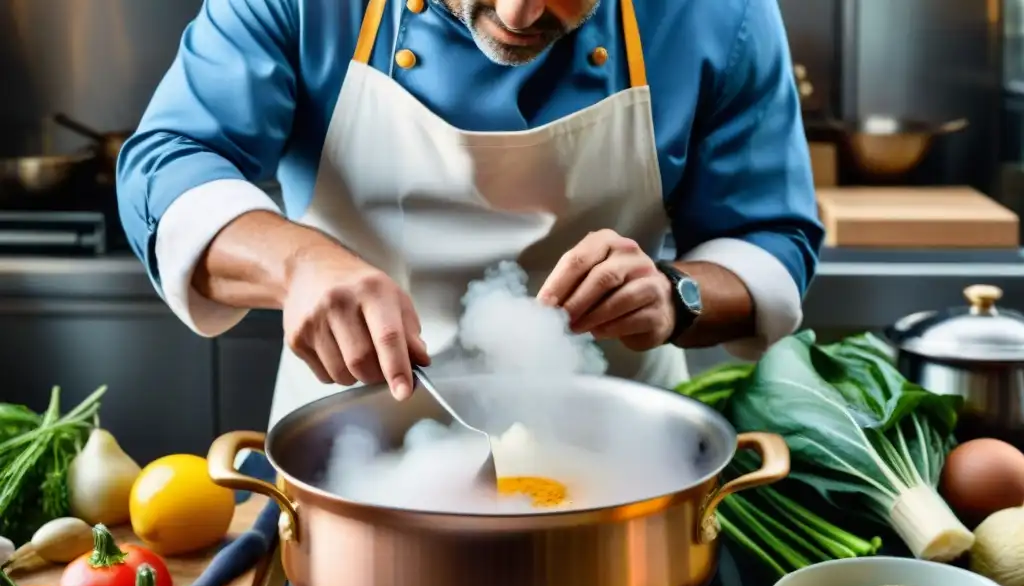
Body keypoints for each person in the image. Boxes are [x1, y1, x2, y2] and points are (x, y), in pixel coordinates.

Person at [117, 0, 823, 430]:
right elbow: (169, 160)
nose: (517, 16)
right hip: (347, 452)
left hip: (617, 466)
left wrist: (678, 296)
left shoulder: (717, 12)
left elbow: (768, 235)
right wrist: (297, 265)